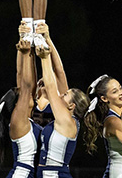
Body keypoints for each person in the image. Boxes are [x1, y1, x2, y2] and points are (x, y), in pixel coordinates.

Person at [34, 23, 90, 178]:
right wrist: (48, 39)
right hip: (44, 173)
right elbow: (60, 71)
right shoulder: (64, 118)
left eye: (65, 95)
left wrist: (45, 58)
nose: (61, 95)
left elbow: (52, 87)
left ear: (71, 105)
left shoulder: (67, 120)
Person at [0, 24, 39, 178]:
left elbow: (20, 74)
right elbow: (26, 84)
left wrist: (22, 39)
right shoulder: (18, 119)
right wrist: (25, 53)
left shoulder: (23, 117)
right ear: (18, 104)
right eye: (25, 95)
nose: (31, 95)